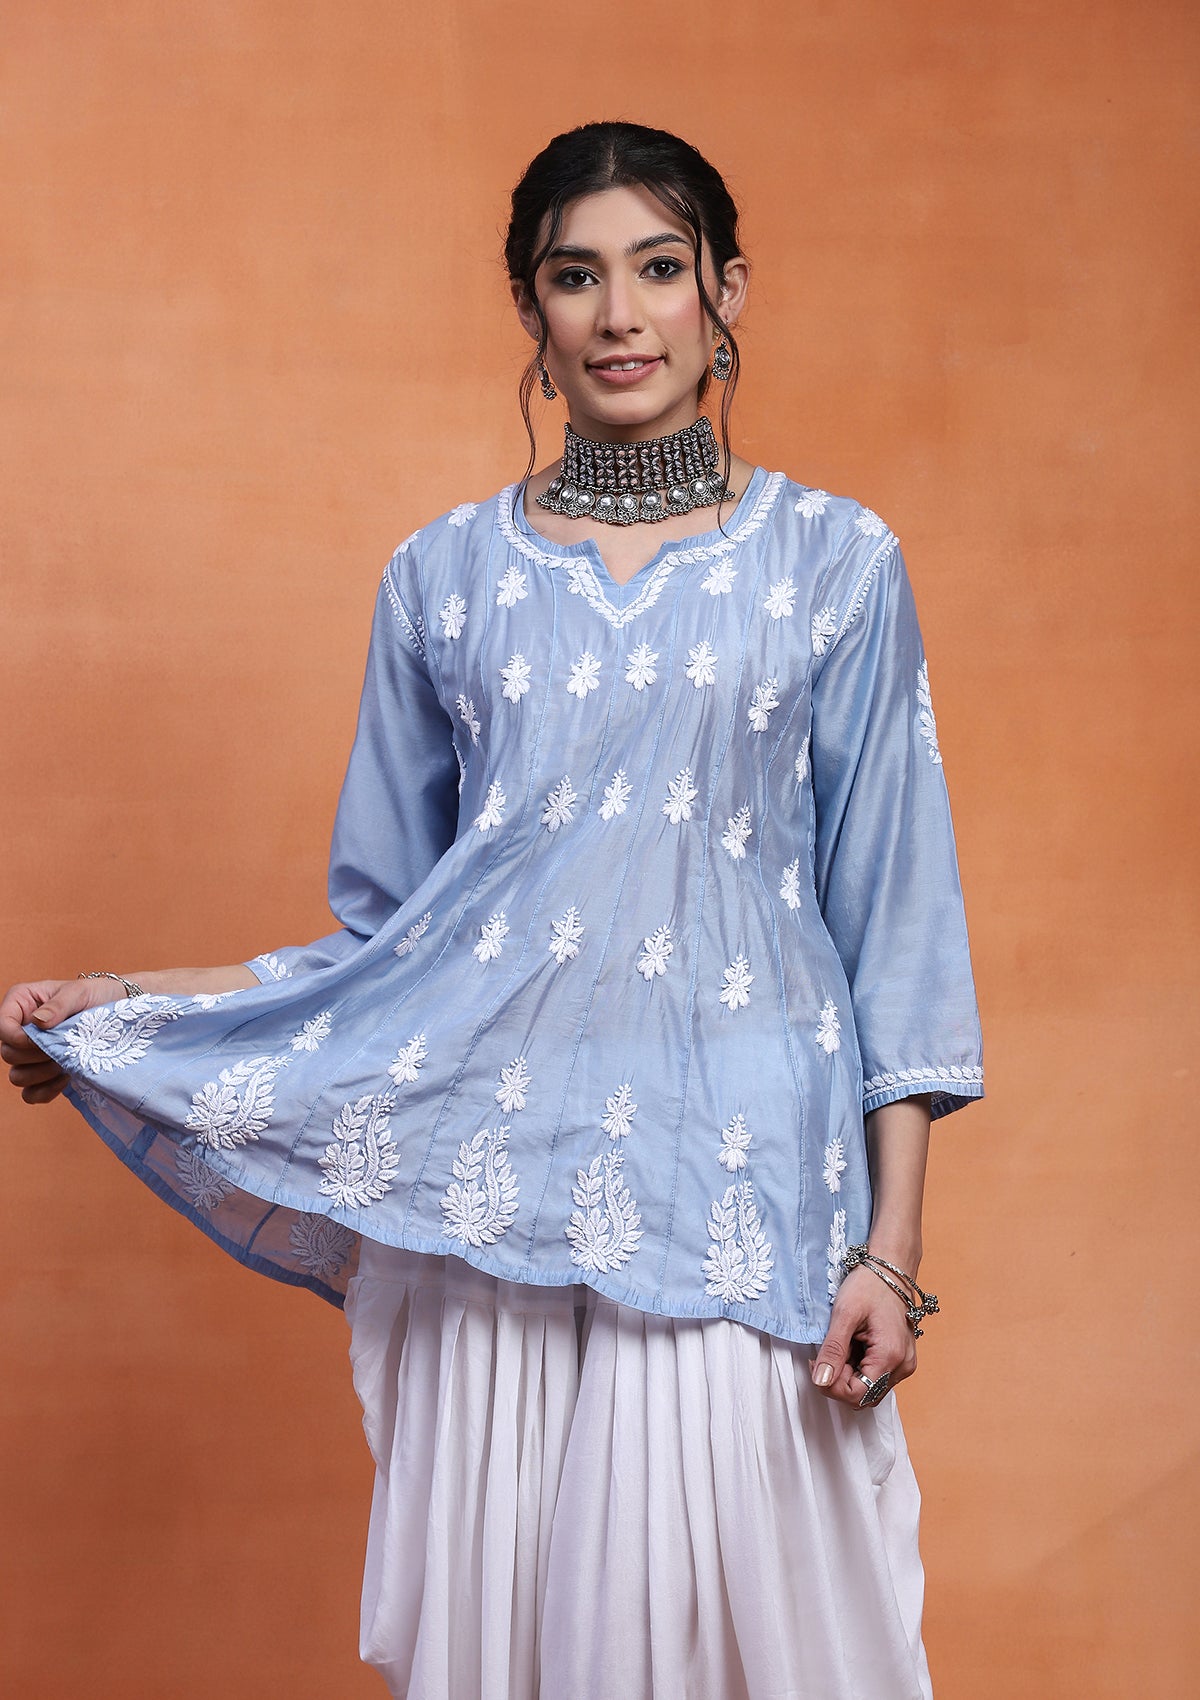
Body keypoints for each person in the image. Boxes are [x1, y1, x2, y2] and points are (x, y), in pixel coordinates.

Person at [2, 120, 983, 1699]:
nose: (620, 315)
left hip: (736, 1188)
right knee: (520, 1650)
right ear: (528, 309)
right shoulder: (444, 580)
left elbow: (900, 920)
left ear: (727, 293)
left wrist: (892, 1251)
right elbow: (390, 949)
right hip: (496, 1200)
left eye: (659, 270)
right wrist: (137, 1006)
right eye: (575, 277)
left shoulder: (834, 565)